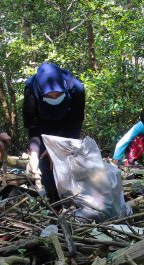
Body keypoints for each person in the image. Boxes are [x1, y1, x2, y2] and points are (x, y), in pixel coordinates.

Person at [22, 62, 85, 203]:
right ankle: (54, 204)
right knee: (46, 167)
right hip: (44, 129)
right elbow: (33, 129)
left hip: (68, 127)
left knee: (68, 163)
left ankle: (73, 201)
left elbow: (76, 123)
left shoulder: (76, 89)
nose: (54, 98)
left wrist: (58, 148)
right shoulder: (31, 91)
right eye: (49, 96)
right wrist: (34, 154)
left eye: (58, 94)